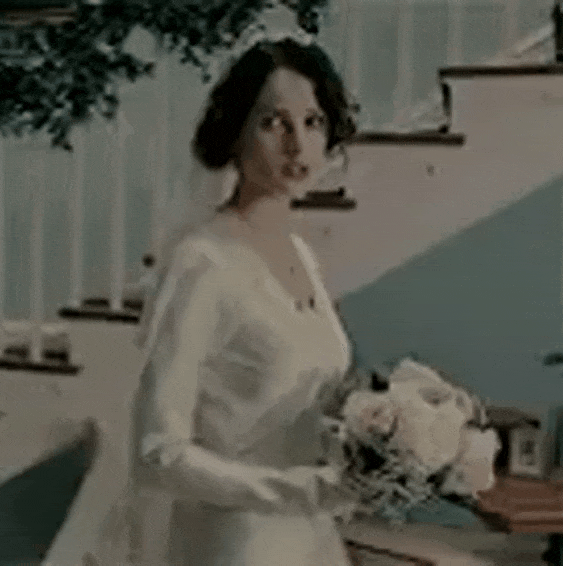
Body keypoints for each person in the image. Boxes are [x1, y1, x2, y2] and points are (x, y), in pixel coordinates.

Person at [87, 35, 360, 565]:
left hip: (312, 539)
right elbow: (158, 452)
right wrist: (297, 490)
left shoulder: (301, 256)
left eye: (313, 122)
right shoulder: (203, 263)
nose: (297, 145)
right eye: (273, 123)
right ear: (234, 132)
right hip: (236, 546)